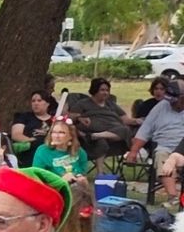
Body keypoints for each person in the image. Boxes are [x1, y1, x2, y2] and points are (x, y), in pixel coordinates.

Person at [132, 78, 184, 206]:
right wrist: (134, 151)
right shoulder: (161, 106)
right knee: (161, 155)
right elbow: (145, 129)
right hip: (165, 147)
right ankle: (173, 197)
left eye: (174, 101)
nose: (171, 104)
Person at [69, 77, 136, 159]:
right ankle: (96, 135)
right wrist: (79, 118)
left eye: (107, 90)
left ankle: (95, 136)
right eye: (102, 90)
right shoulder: (83, 103)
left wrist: (139, 121)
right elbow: (70, 116)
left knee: (124, 130)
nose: (105, 93)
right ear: (94, 90)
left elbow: (125, 119)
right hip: (92, 126)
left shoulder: (110, 104)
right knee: (119, 132)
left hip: (110, 130)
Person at [12, 90, 56, 161]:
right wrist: (32, 141)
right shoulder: (23, 117)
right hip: (28, 152)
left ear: (47, 103)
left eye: (39, 100)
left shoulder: (55, 120)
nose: (36, 103)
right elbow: (16, 135)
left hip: (49, 153)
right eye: (33, 101)